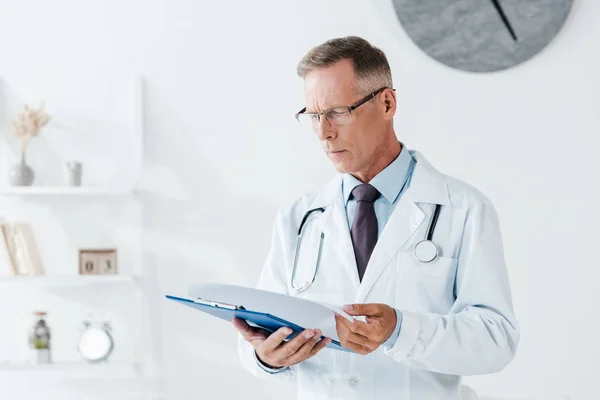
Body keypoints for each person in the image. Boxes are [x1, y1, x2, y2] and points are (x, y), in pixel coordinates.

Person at [232, 36, 519, 400]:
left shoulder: (463, 209)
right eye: (314, 116)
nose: (324, 133)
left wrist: (401, 329)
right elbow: (260, 331)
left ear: (386, 103)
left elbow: (496, 339)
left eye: (338, 112)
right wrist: (266, 357)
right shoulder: (299, 218)